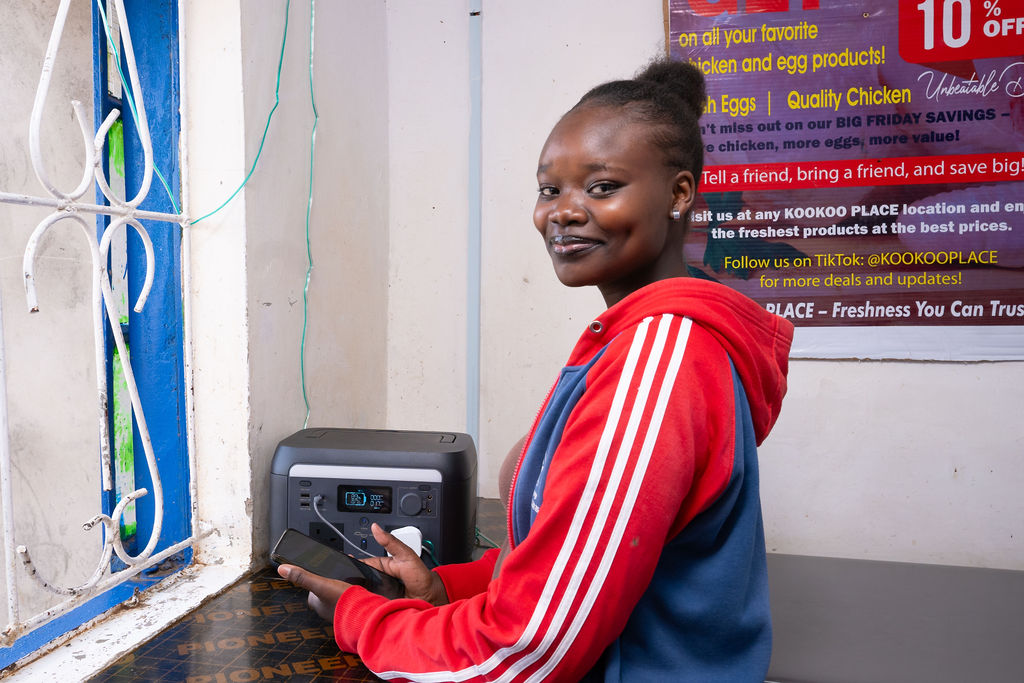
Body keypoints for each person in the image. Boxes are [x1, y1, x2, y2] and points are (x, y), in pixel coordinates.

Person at [278, 57, 794, 682]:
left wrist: (365, 620)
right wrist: (445, 587)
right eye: (550, 190)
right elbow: (574, 558)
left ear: (680, 193)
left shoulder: (661, 361)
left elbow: (533, 648)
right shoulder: (632, 340)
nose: (564, 211)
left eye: (601, 187)